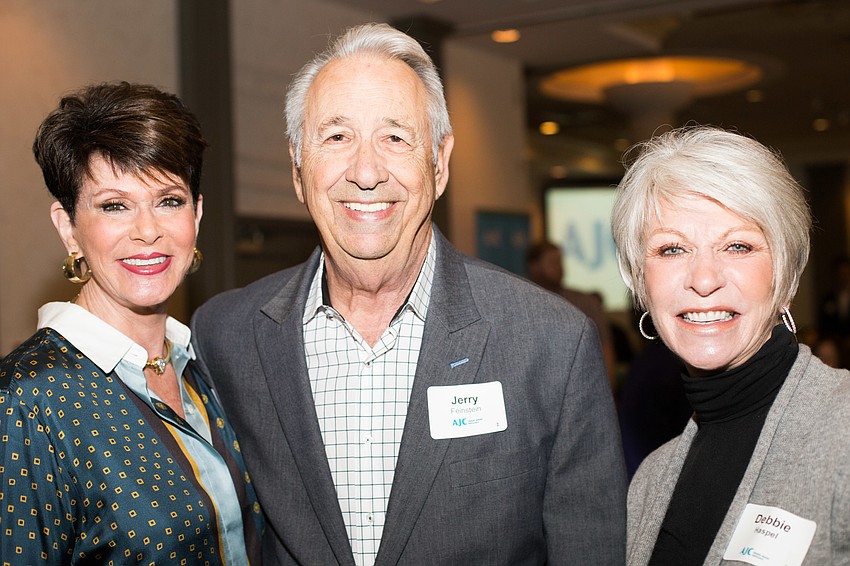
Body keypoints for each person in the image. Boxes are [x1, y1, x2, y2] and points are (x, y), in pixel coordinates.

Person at [191, 22, 625, 565]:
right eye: (336, 137)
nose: (367, 172)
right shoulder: (225, 337)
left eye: (395, 137)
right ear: (298, 169)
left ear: (439, 163)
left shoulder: (550, 342)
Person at [0, 82, 262, 564]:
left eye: (169, 201)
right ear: (68, 227)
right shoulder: (26, 397)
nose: (147, 230)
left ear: (197, 215)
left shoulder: (201, 362)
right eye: (114, 205)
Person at [611, 125, 850, 564]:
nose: (704, 280)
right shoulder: (649, 482)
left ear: (785, 277)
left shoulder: (842, 432)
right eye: (671, 250)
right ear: (641, 283)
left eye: (738, 246)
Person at [525, 240, 618, 389]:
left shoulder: (585, 303)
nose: (560, 267)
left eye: (560, 261)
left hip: (584, 387)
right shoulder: (522, 305)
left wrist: (609, 387)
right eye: (552, 262)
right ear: (534, 267)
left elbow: (605, 348)